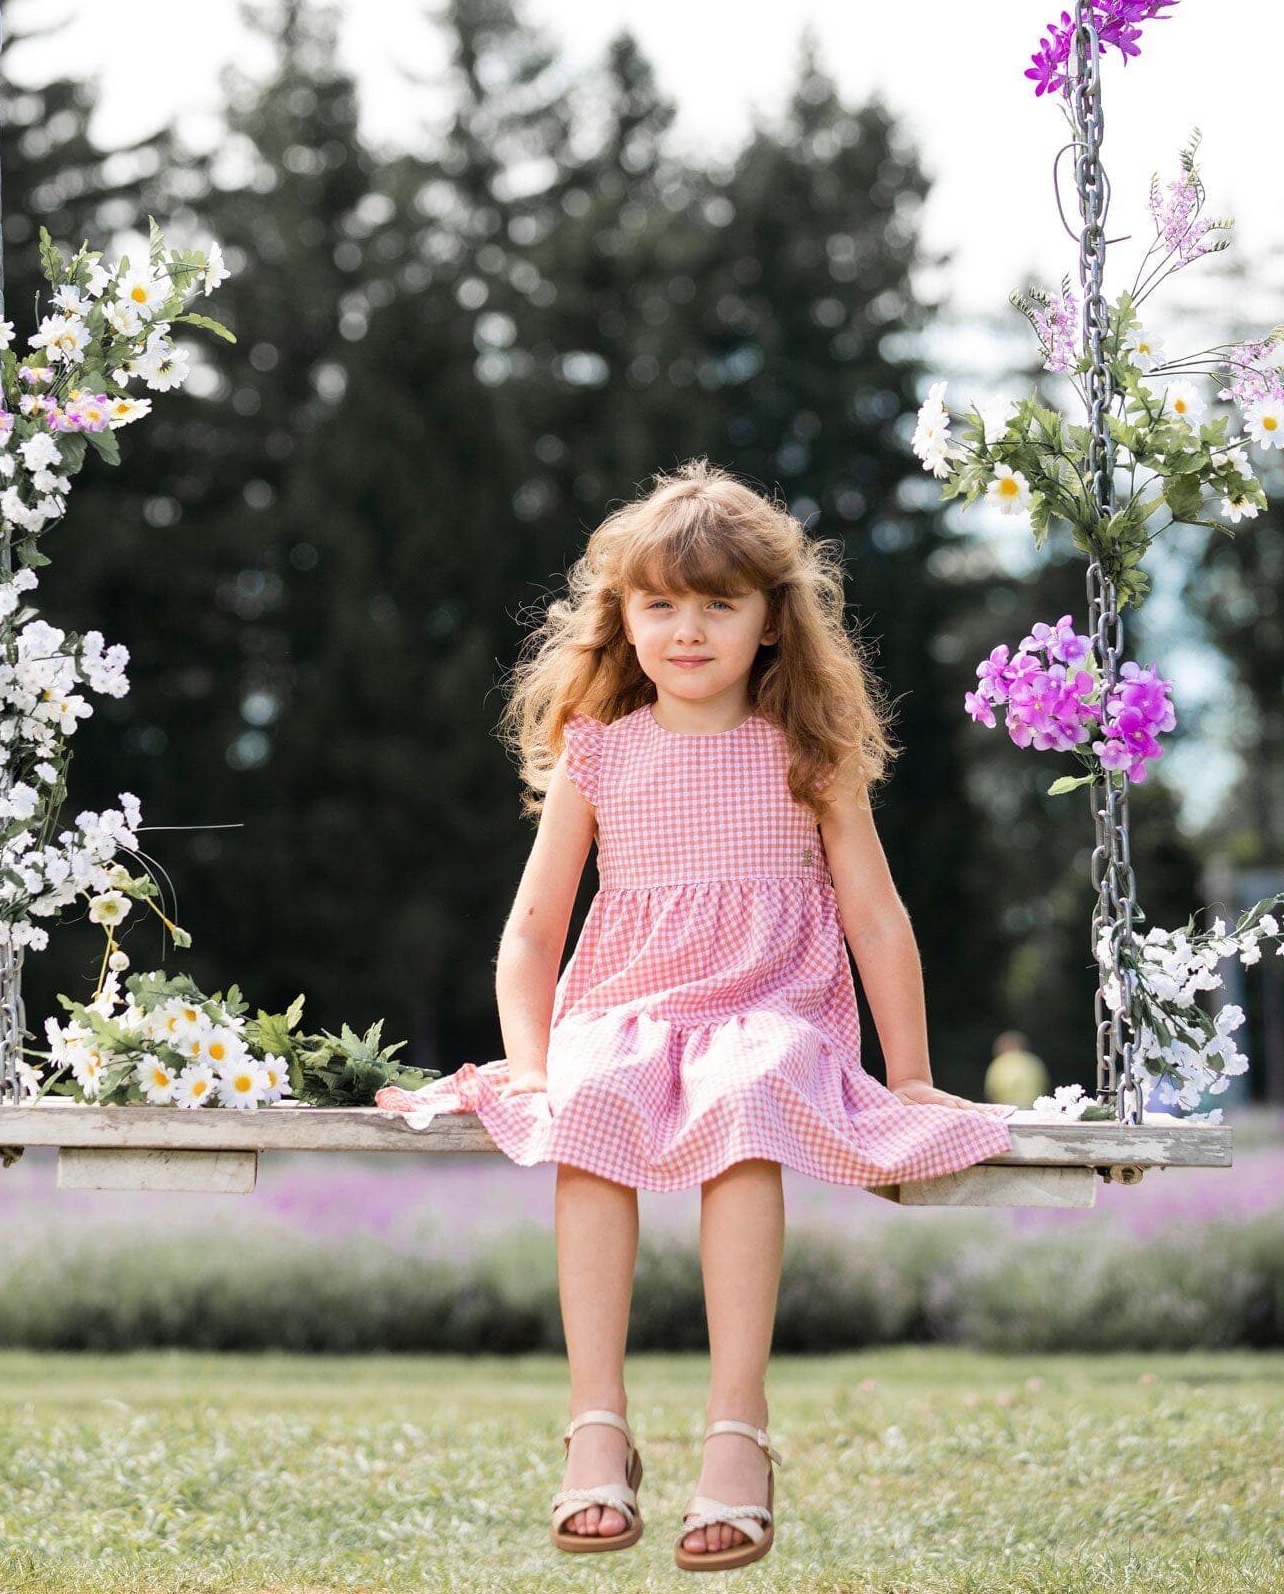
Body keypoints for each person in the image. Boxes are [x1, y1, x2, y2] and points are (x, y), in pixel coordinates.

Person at [375, 458, 1016, 1571]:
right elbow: (532, 933)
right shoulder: (600, 753)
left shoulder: (806, 756)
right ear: (622, 619)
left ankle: (737, 1431)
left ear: (771, 622)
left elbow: (875, 915)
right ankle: (597, 1424)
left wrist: (907, 1074)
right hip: (625, 1009)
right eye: (660, 604)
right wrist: (530, 1066)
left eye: (720, 604)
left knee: (748, 1093)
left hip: (769, 1008)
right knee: (591, 1100)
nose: (687, 630)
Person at [983, 1030, 1050, 1109]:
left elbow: (991, 1090)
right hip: (1031, 1110)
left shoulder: (1000, 1063)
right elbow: (1044, 1085)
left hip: (1007, 1112)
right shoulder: (1034, 1061)